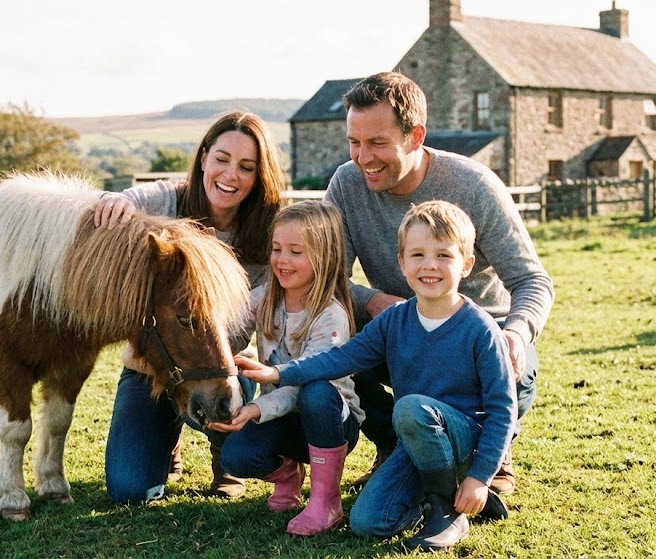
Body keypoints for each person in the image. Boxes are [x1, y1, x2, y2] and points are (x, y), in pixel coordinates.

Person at [238, 200, 516, 551]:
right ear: (401, 262)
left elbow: (503, 408)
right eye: (417, 255)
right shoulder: (394, 321)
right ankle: (436, 495)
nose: (429, 265)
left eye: (443, 255)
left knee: (411, 408)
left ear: (467, 265)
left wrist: (480, 475)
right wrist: (277, 371)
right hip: (415, 441)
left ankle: (448, 511)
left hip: (464, 441)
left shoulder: (480, 329)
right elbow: (338, 359)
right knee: (368, 522)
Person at [327, 71, 554, 494]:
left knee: (513, 374)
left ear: (415, 136)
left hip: (479, 334)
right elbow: (327, 279)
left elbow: (532, 280)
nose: (362, 158)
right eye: (354, 143)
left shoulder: (474, 185)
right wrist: (375, 299)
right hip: (402, 331)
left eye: (377, 143)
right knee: (331, 340)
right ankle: (394, 444)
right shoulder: (345, 184)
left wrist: (517, 335)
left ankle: (490, 450)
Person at [96, 111, 286, 503]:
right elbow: (121, 200)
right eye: (221, 159)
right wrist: (110, 201)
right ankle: (168, 438)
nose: (230, 175)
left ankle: (226, 459)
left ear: (259, 175)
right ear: (203, 158)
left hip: (222, 364)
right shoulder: (166, 201)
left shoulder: (270, 230)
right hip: (148, 369)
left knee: (236, 386)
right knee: (130, 490)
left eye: (246, 167)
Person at [207, 201, 363, 536]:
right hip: (281, 419)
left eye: (296, 251)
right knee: (236, 457)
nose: (282, 260)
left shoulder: (330, 315)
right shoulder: (263, 299)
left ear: (323, 258)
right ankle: (288, 474)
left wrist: (254, 407)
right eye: (277, 249)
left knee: (317, 391)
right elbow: (226, 328)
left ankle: (326, 499)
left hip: (332, 422)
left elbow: (302, 383)